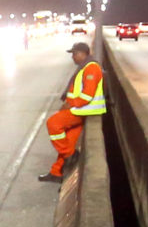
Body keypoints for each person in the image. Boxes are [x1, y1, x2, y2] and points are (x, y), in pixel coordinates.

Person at [40, 42, 106, 182]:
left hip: (83, 110)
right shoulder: (85, 67)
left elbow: (87, 96)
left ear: (83, 54)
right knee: (68, 141)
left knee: (53, 123)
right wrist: (68, 103)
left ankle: (70, 155)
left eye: (74, 54)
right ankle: (57, 172)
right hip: (80, 109)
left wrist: (70, 104)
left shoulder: (91, 68)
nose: (73, 57)